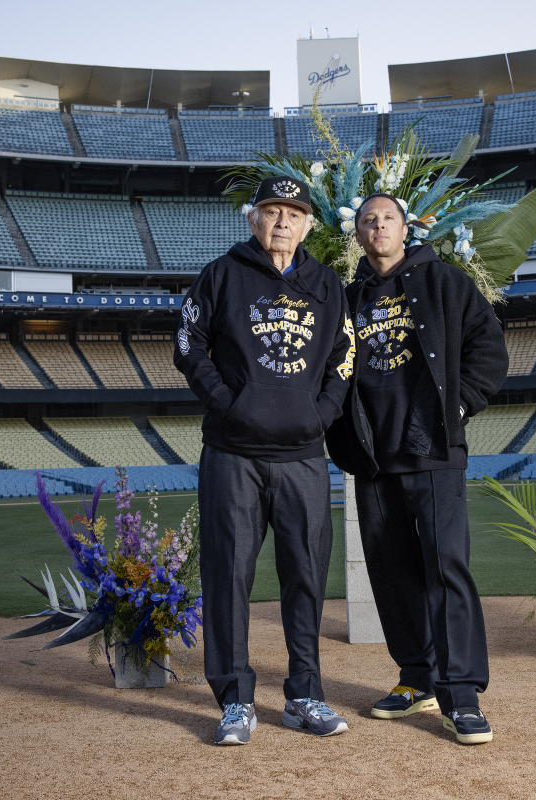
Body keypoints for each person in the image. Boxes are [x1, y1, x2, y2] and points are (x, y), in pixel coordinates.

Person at [174, 175, 356, 746]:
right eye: (272, 211)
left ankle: (304, 694)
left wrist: (321, 414)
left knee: (305, 575)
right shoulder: (221, 274)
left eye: (294, 213)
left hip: (304, 455)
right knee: (229, 575)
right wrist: (225, 403)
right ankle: (234, 701)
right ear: (253, 219)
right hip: (233, 455)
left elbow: (345, 354)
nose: (282, 221)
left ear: (308, 225)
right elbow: (186, 344)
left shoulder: (327, 283)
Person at [325, 193, 509, 745]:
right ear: (356, 234)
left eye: (387, 219)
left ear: (405, 229)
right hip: (372, 457)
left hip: (432, 451)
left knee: (445, 569)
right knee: (391, 573)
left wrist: (459, 404)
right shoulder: (345, 297)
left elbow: (489, 348)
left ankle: (462, 695)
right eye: (368, 220)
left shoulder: (445, 283)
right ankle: (415, 677)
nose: (378, 226)